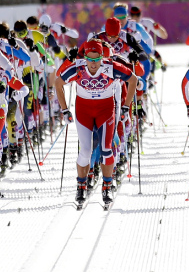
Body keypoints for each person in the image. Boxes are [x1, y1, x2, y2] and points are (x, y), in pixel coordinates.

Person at [55, 39, 137, 208]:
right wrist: (64, 109)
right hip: (83, 111)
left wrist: (126, 106)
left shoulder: (111, 67)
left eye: (96, 59)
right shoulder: (77, 68)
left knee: (107, 150)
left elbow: (133, 79)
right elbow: (58, 82)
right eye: (90, 60)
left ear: (102, 57)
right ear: (84, 57)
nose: (93, 64)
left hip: (105, 111)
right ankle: (81, 186)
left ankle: (107, 186)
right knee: (85, 151)